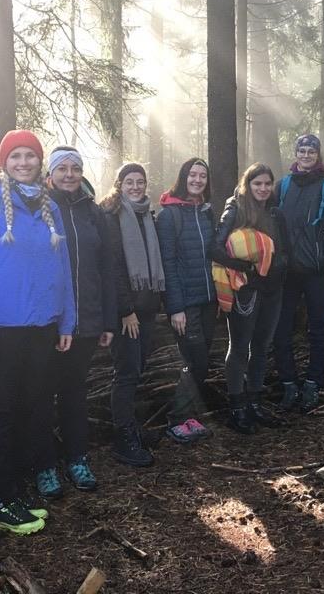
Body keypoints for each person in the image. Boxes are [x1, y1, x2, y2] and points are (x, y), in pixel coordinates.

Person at [0, 129, 75, 535]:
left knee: (33, 407)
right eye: (16, 156)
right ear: (3, 162)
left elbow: (63, 270)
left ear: (41, 163)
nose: (24, 163)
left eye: (31, 156)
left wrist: (66, 320)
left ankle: (16, 489)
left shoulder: (49, 210)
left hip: (42, 331)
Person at [35, 146, 116, 498]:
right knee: (39, 394)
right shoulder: (37, 209)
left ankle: (77, 459)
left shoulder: (93, 213)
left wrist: (107, 320)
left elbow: (107, 268)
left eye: (75, 168)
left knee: (74, 393)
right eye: (62, 168)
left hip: (85, 323)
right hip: (45, 324)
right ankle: (43, 466)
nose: (69, 174)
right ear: (49, 174)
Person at [211, 163, 289, 434]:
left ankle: (255, 403)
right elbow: (215, 248)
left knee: (261, 346)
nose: (263, 189)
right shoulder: (235, 208)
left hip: (273, 289)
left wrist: (279, 273)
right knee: (240, 345)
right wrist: (246, 269)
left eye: (268, 184)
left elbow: (283, 249)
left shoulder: (275, 212)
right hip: (246, 288)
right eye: (258, 184)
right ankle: (236, 407)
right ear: (248, 184)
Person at [272, 134, 324, 413]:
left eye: (311, 151)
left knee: (318, 329)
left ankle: (313, 384)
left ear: (318, 156)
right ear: (295, 154)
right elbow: (271, 222)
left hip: (317, 273)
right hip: (286, 273)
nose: (305, 155)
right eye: (301, 150)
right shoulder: (283, 185)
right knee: (282, 328)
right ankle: (289, 384)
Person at [99, 162, 165, 466]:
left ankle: (132, 428)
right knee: (125, 373)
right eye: (129, 182)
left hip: (147, 309)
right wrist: (126, 310)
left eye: (140, 181)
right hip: (127, 313)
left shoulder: (147, 216)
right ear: (120, 185)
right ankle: (122, 439)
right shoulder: (112, 217)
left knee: (136, 370)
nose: (136, 187)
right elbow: (113, 268)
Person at [157, 158, 218, 444]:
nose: (197, 180)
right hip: (186, 303)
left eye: (202, 176)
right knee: (193, 359)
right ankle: (176, 420)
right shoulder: (169, 215)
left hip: (209, 299)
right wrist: (176, 307)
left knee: (202, 360)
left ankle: (190, 416)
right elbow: (167, 263)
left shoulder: (206, 212)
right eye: (192, 175)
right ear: (183, 178)